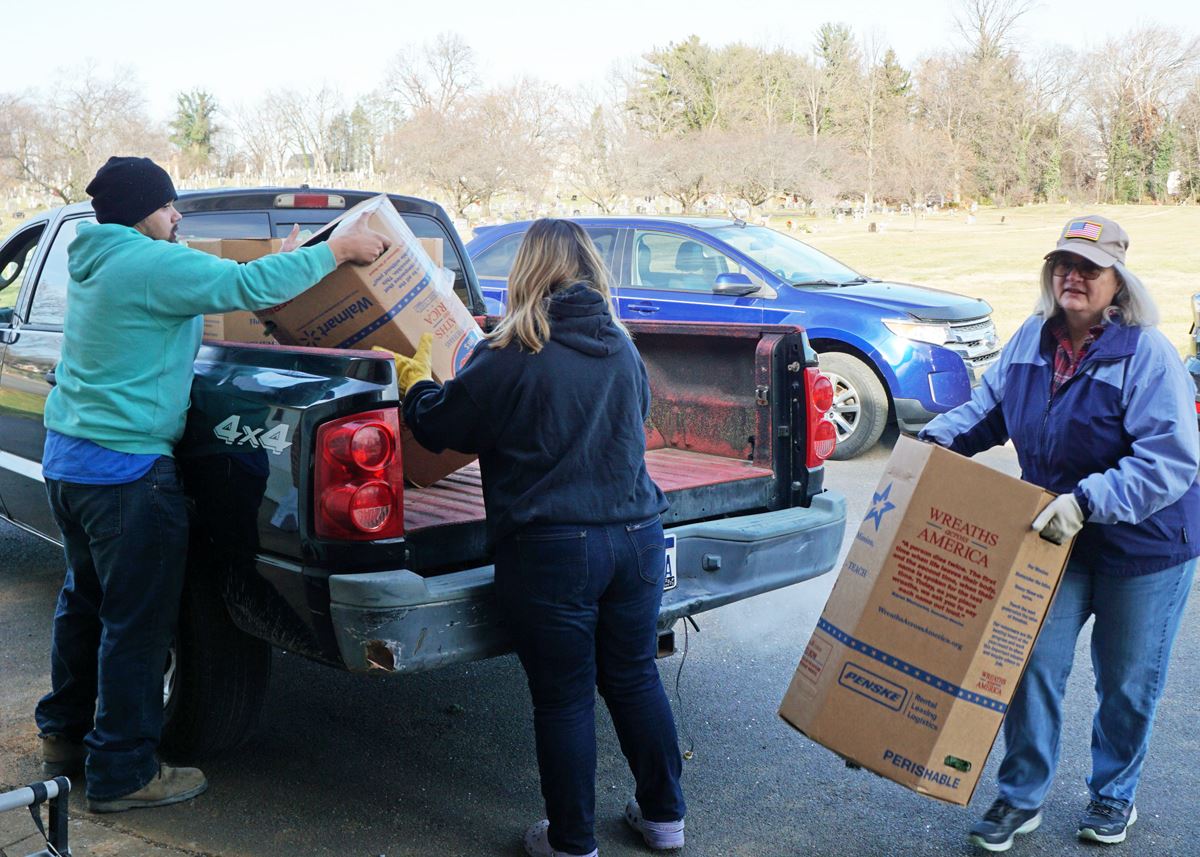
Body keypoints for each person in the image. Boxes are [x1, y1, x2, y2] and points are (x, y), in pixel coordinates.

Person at [36, 156, 389, 813]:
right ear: (144, 209)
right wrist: (337, 250)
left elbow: (229, 277)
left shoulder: (99, 257)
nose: (178, 216)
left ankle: (64, 734)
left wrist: (286, 258)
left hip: (71, 463)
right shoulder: (148, 262)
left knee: (85, 602)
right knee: (138, 624)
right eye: (170, 206)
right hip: (126, 473)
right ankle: (122, 772)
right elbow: (249, 286)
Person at [393, 219, 686, 856]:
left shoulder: (510, 353)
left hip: (554, 550)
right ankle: (665, 820)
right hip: (637, 536)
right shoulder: (623, 346)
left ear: (529, 270)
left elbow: (442, 428)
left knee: (565, 697)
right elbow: (633, 422)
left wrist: (416, 383)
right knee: (634, 677)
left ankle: (573, 842)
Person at [918, 214, 1199, 851]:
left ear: (1118, 281)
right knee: (1029, 663)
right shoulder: (1029, 339)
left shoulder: (1146, 354)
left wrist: (1088, 500)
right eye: (1063, 264)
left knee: (1126, 682)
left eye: (1089, 267)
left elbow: (1172, 460)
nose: (1073, 276)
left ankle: (1113, 797)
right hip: (1053, 537)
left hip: (1146, 547)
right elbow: (988, 408)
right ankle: (1022, 797)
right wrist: (934, 445)